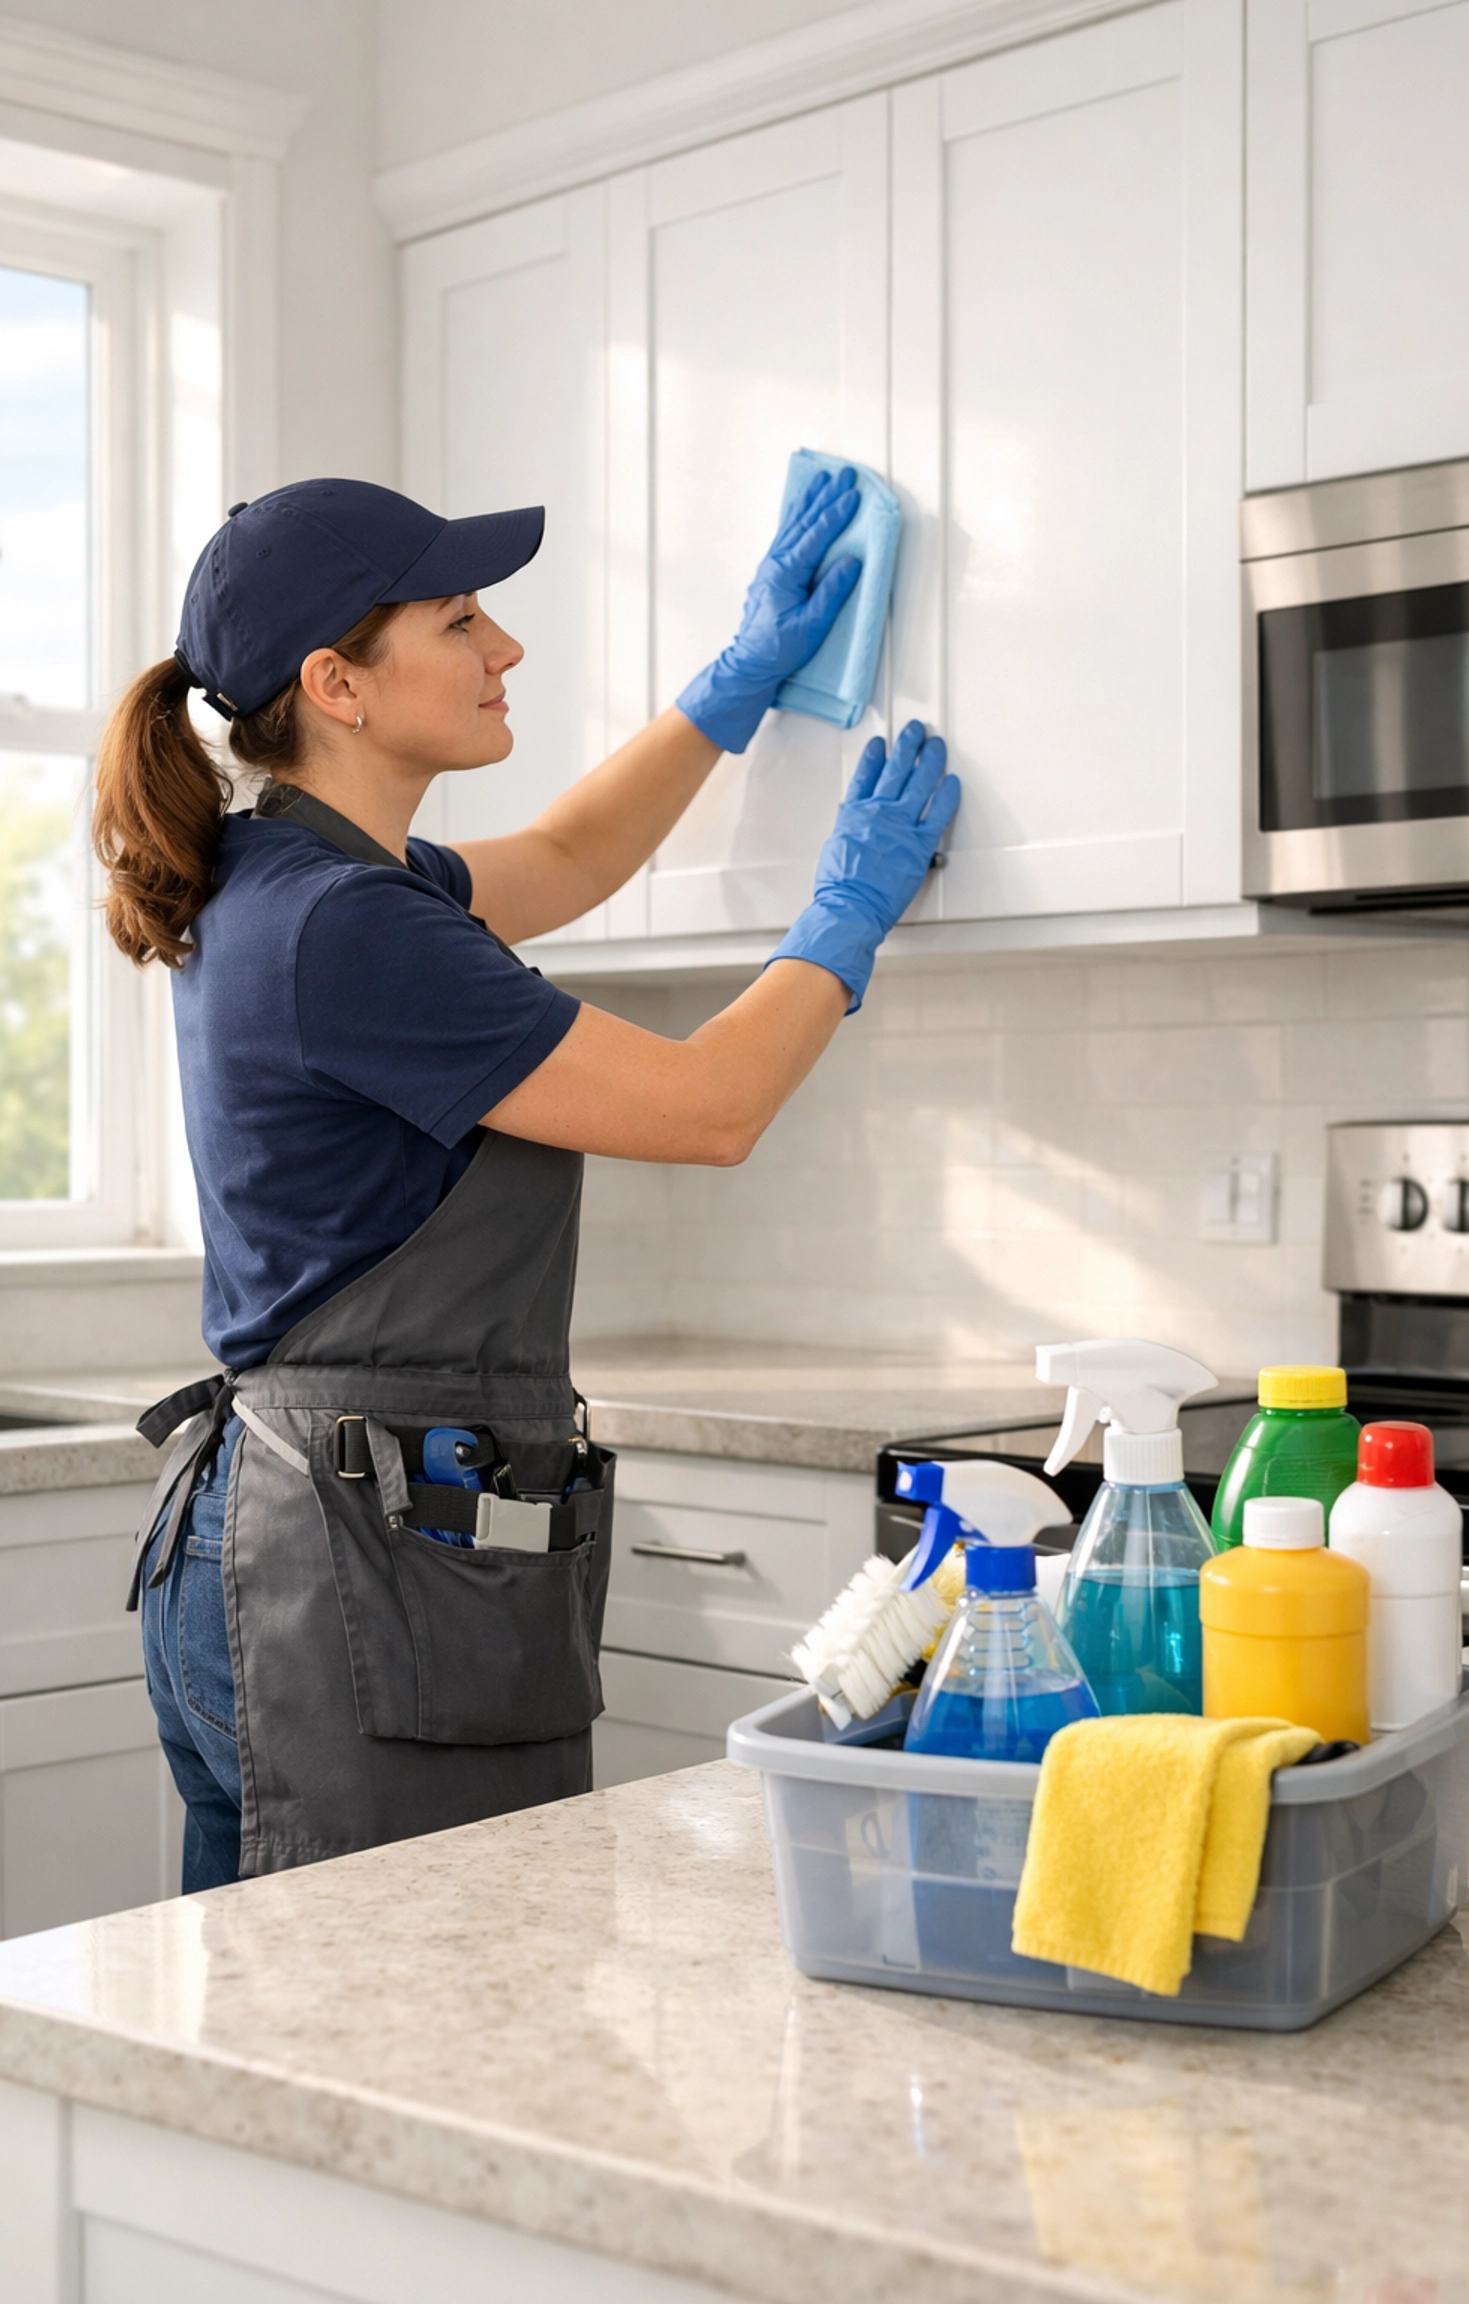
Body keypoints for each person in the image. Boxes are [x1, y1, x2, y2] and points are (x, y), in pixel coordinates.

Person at [92, 472, 959, 1889]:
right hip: (354, 1557)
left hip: (310, 1534)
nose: (506, 650)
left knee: (301, 2015)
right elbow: (713, 1106)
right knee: (389, 2010)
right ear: (340, 685)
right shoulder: (343, 925)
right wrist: (846, 913)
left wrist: (730, 689)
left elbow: (565, 860)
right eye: (460, 619)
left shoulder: (302, 874)